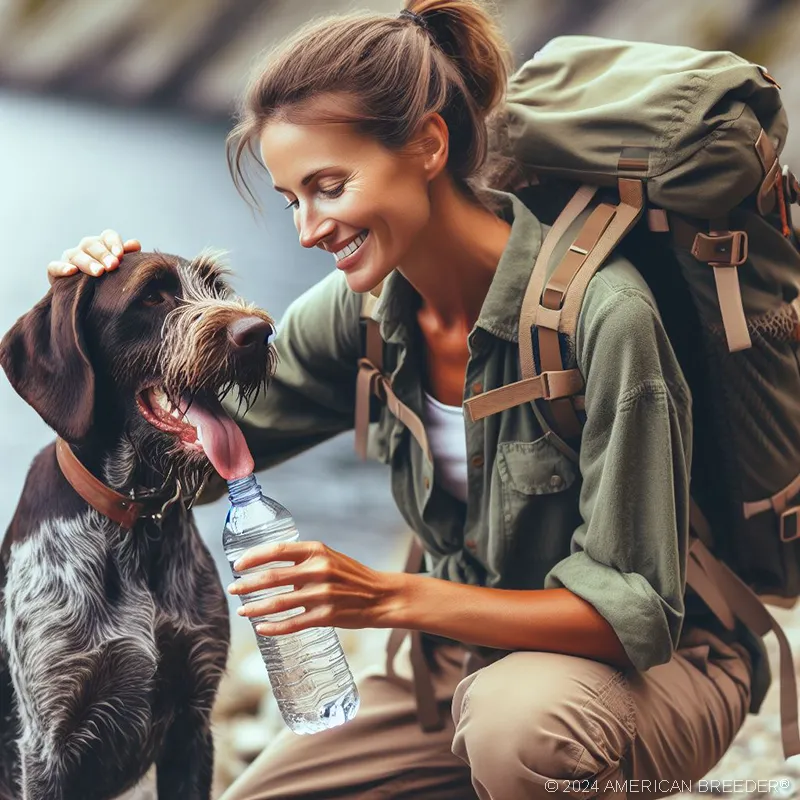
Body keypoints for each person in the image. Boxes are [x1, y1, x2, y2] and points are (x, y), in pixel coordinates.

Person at [48, 1, 763, 798]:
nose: (308, 229)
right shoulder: (357, 314)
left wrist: (383, 596)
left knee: (515, 733)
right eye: (292, 199)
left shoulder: (606, 315)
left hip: (658, 673)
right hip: (456, 671)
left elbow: (636, 614)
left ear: (428, 143)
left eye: (329, 186)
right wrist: (89, 330)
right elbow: (199, 464)